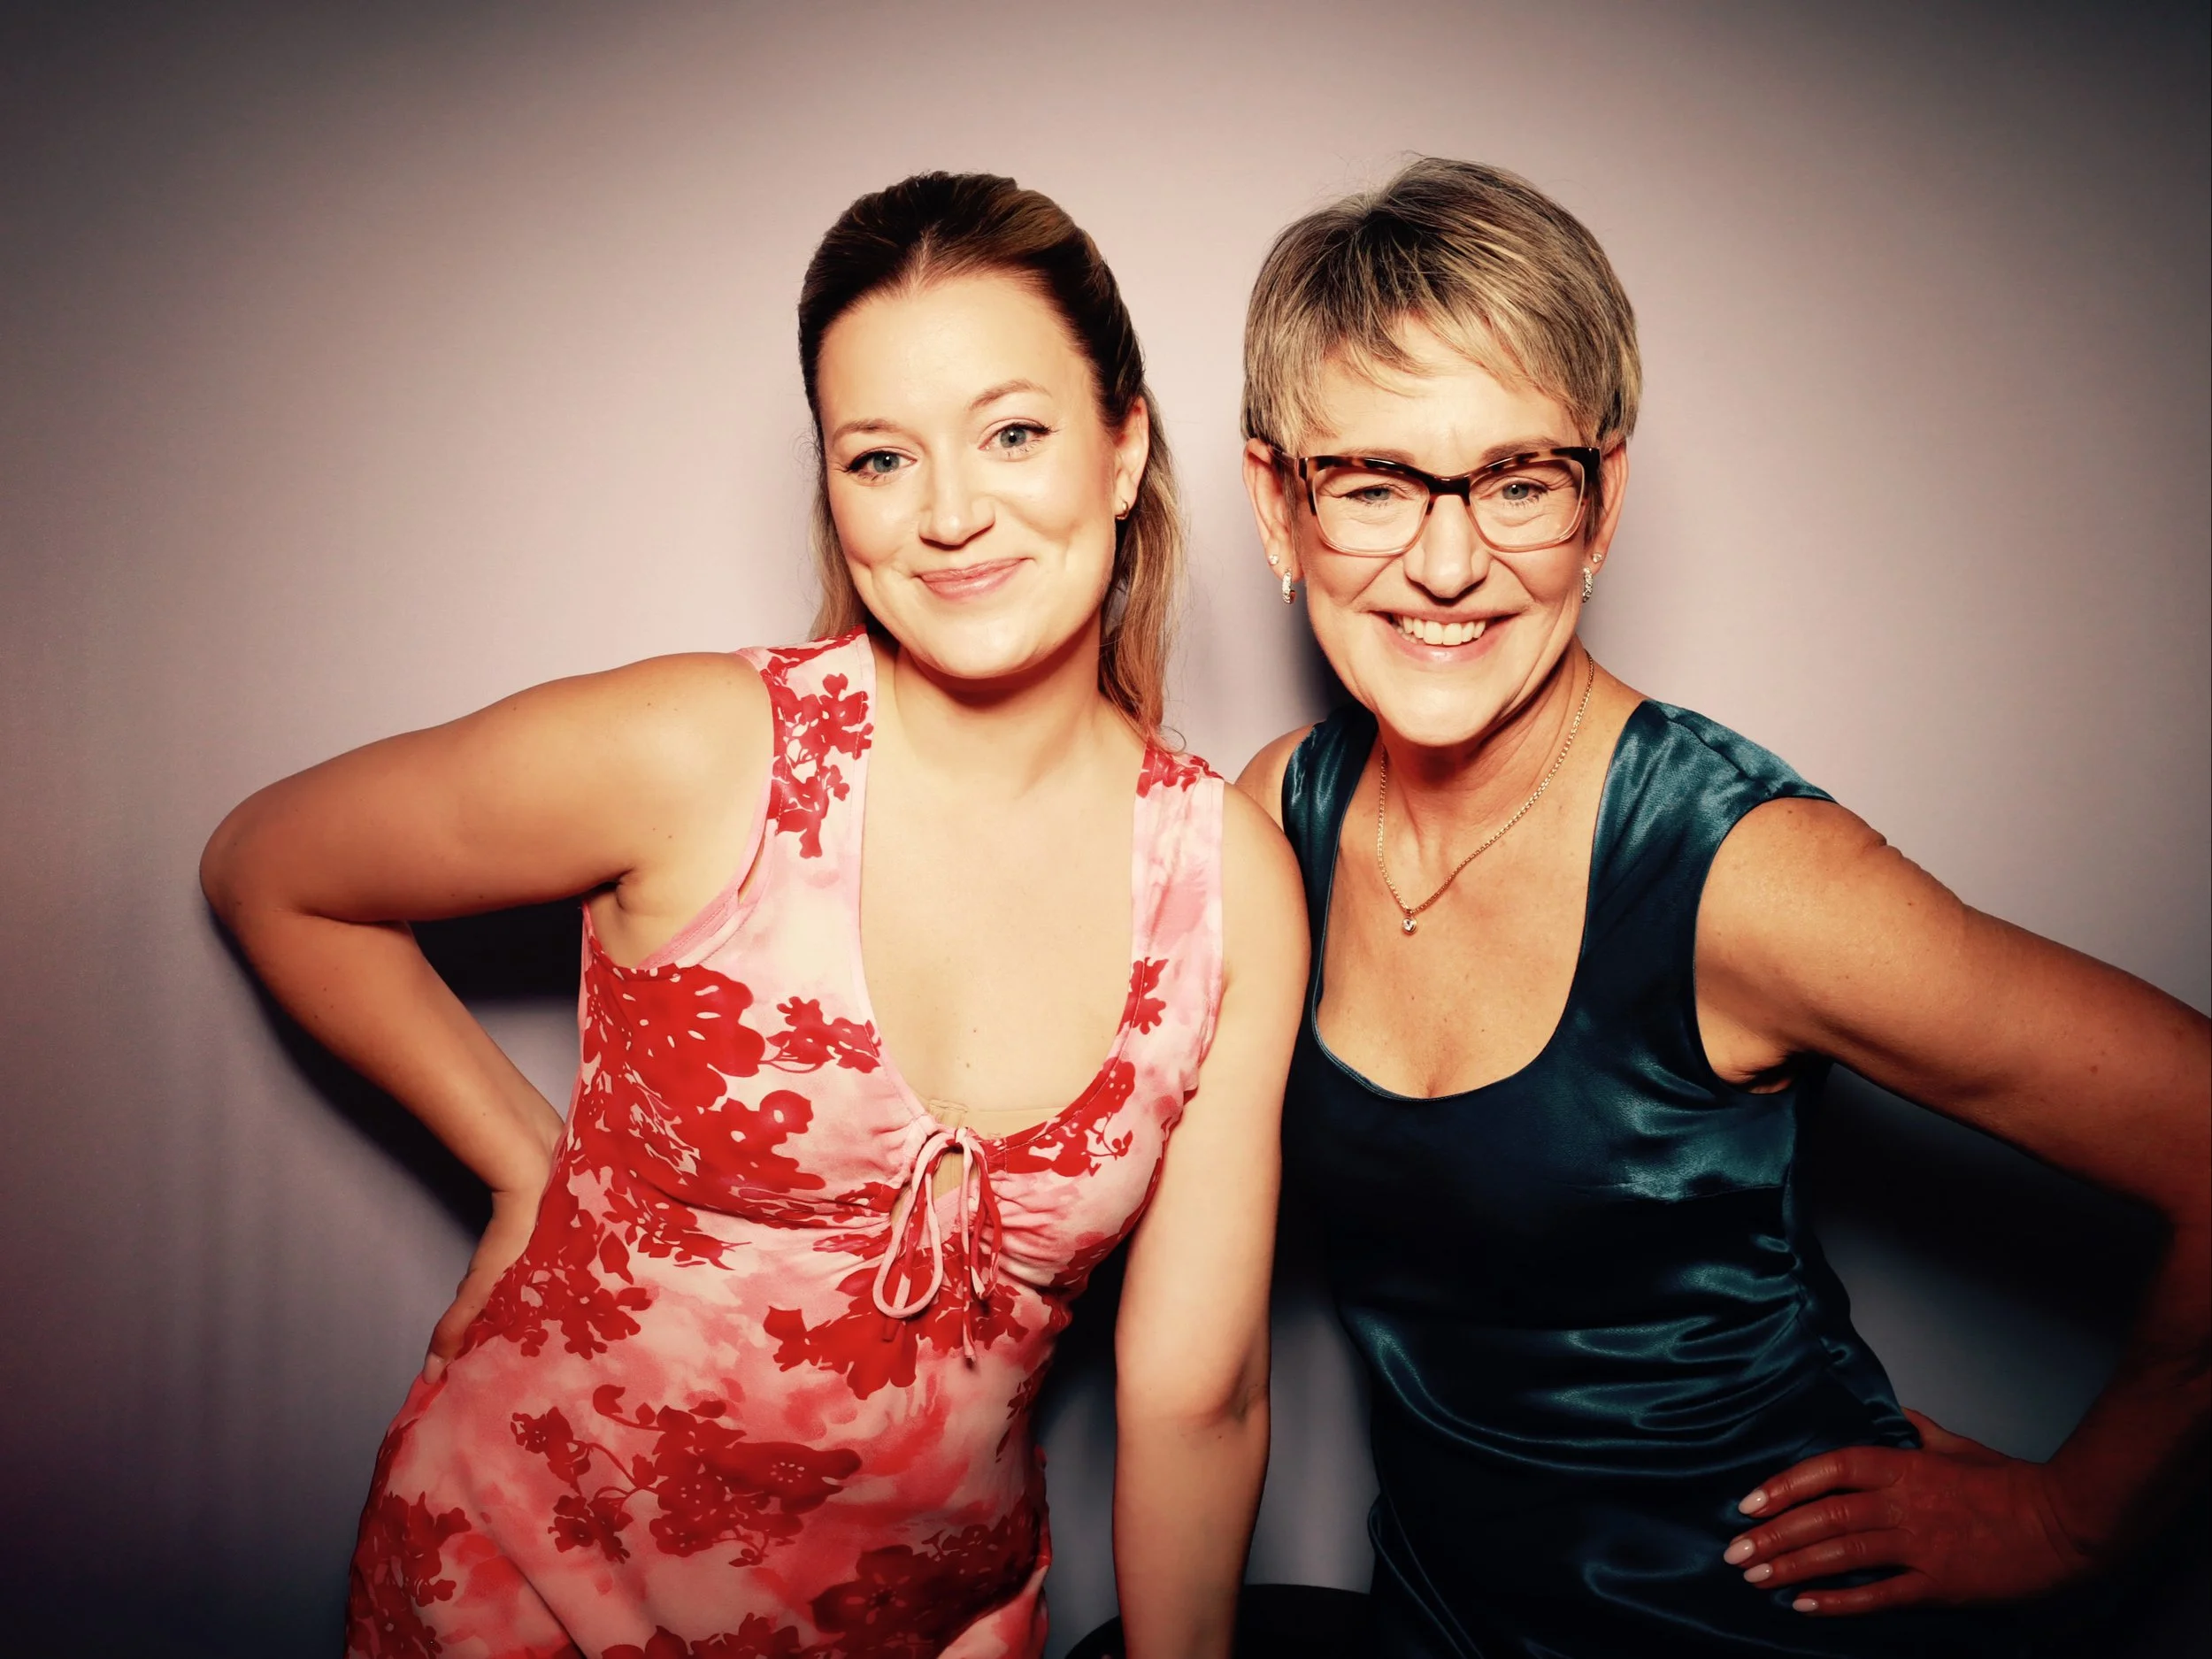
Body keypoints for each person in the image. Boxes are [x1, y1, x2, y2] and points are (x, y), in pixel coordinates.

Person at [202, 171, 1305, 1659]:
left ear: (1123, 448)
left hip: (938, 1621)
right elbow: (270, 867)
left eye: (1015, 433)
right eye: (879, 458)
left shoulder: (1228, 880)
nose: (953, 513)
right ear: (833, 490)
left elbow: (1194, 1395)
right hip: (526, 1588)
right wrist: (529, 1172)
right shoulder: (700, 751)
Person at [1233, 157, 2208, 1658]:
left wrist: (2072, 1518)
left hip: (1752, 1629)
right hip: (1440, 1618)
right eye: (1371, 482)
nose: (1445, 560)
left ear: (1602, 498)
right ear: (1278, 507)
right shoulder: (1279, 812)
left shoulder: (1744, 872)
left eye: (1517, 480)